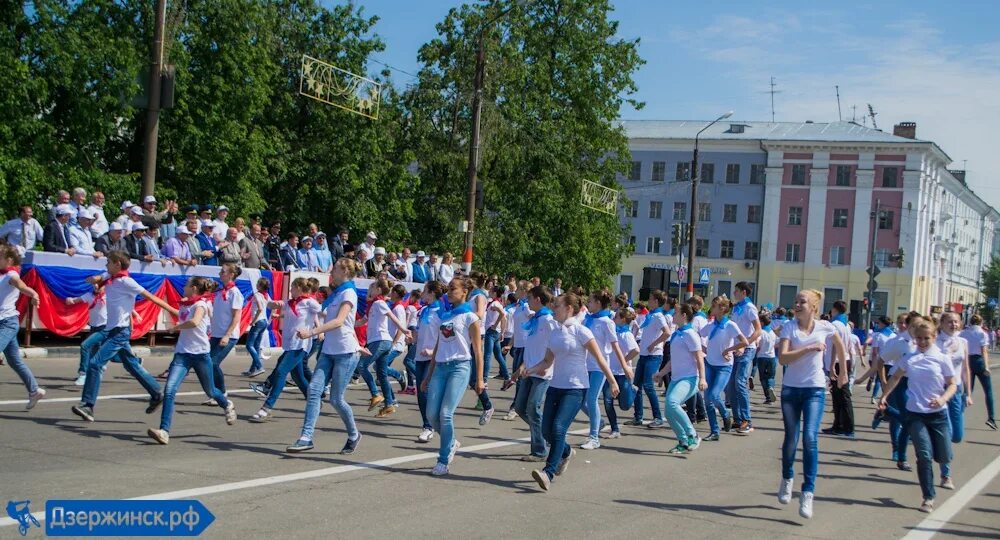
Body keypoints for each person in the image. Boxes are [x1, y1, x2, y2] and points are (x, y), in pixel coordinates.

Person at [526, 293, 618, 491]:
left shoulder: (581, 331)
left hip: (576, 387)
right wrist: (530, 370)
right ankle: (566, 452)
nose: (553, 309)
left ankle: (548, 472)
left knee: (559, 428)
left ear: (569, 308)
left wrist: (612, 381)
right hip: (556, 386)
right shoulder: (554, 332)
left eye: (557, 306)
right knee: (546, 430)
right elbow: (547, 361)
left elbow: (600, 359)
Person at [72, 251, 174, 422]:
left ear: (117, 264)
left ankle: (88, 406)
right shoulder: (110, 277)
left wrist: (174, 311)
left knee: (95, 363)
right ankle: (156, 392)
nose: (105, 266)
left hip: (119, 331)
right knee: (132, 365)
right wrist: (95, 279)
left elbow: (151, 297)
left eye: (108, 263)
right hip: (111, 330)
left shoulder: (127, 281)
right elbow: (97, 277)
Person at [775, 290, 848, 519]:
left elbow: (840, 344)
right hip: (790, 389)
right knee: (791, 438)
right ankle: (787, 478)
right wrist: (808, 348)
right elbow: (783, 358)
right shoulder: (789, 327)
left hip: (815, 389)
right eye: (795, 301)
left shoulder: (825, 327)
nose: (796, 305)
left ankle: (808, 492)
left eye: (802, 302)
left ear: (814, 307)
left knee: (810, 438)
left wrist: (840, 369)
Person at [286, 259, 365, 454]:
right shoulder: (336, 293)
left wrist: (312, 333)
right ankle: (306, 437)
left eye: (335, 268)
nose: (331, 271)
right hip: (329, 350)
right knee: (313, 390)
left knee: (336, 400)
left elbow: (340, 322)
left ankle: (354, 434)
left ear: (345, 271)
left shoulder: (348, 293)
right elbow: (328, 317)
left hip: (345, 352)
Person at [879, 317, 958, 513]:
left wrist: (942, 399)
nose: (922, 342)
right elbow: (895, 376)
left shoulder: (941, 358)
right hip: (915, 413)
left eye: (926, 339)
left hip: (938, 414)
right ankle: (928, 497)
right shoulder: (910, 358)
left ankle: (944, 472)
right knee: (923, 456)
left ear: (934, 337)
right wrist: (884, 396)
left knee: (943, 455)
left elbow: (953, 384)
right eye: (919, 338)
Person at [148, 277, 237, 444]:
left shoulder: (201, 305)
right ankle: (164, 431)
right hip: (182, 354)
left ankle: (227, 405)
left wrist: (175, 328)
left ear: (194, 288)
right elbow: (180, 315)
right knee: (169, 390)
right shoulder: (188, 305)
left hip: (201, 354)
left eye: (187, 285)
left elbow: (194, 322)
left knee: (210, 391)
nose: (184, 287)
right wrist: (154, 299)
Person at [421, 276, 487, 476]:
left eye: (452, 289)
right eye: (448, 289)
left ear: (464, 292)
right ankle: (451, 442)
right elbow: (439, 346)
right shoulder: (446, 316)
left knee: (446, 413)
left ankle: (443, 459)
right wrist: (427, 376)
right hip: (440, 368)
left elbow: (478, 351)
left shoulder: (470, 317)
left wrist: (480, 379)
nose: (448, 292)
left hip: (460, 367)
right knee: (432, 415)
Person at [249, 278, 321, 422]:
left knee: (281, 371)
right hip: (289, 344)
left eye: (293, 287)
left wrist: (319, 331)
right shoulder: (289, 302)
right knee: (298, 377)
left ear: (299, 288)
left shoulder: (309, 302)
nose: (290, 290)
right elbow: (269, 304)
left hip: (300, 345)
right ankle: (314, 401)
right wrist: (273, 304)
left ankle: (266, 408)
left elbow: (320, 313)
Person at [510, 285, 558, 460]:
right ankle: (548, 435)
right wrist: (521, 367)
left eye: (529, 298)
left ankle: (540, 450)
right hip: (529, 371)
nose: (527, 301)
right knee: (521, 407)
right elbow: (532, 348)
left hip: (542, 372)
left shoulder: (548, 321)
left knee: (533, 408)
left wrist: (547, 364)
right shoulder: (535, 319)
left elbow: (556, 345)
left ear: (538, 299)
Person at [652, 304, 706, 453]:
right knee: (669, 412)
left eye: (675, 313)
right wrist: (661, 373)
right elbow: (673, 360)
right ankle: (683, 441)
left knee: (672, 402)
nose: (672, 315)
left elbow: (699, 358)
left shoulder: (690, 334)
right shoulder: (677, 334)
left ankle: (693, 434)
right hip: (676, 378)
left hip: (689, 379)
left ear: (684, 316)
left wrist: (702, 378)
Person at [579, 291, 627, 449]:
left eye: (591, 301)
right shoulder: (587, 318)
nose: (588, 303)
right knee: (580, 401)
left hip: (600, 367)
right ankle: (598, 422)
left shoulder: (607, 322)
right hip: (585, 364)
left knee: (591, 399)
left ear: (599, 303)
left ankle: (594, 438)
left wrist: (625, 366)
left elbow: (615, 346)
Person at [0, 246, 46, 410]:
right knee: (14, 361)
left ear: (9, 261)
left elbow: (21, 286)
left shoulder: (11, 275)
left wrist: (33, 294)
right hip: (2, 322)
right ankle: (34, 391)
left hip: (7, 322)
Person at [359, 280, 410, 418]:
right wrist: (344, 323)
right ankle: (389, 404)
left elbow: (393, 318)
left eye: (372, 287)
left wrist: (404, 330)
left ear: (379, 290)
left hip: (381, 340)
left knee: (362, 366)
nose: (369, 290)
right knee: (381, 373)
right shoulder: (371, 306)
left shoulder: (379, 303)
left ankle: (376, 395)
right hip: (379, 341)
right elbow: (361, 321)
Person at [700, 295, 748, 441]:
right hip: (709, 363)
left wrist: (730, 350)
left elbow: (744, 342)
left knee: (714, 395)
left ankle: (725, 414)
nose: (711, 308)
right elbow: (698, 336)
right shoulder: (711, 325)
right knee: (707, 399)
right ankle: (714, 431)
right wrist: (704, 349)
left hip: (723, 367)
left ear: (721, 309)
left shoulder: (730, 325)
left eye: (713, 306)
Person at [936, 311, 972, 489]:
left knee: (957, 436)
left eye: (956, 322)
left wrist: (969, 393)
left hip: (956, 390)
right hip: (940, 390)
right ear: (941, 323)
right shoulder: (935, 342)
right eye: (949, 322)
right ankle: (946, 475)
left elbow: (965, 368)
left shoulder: (963, 342)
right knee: (947, 433)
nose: (953, 325)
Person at [627, 289, 670, 427]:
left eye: (650, 299)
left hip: (653, 355)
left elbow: (667, 333)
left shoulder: (658, 316)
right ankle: (638, 417)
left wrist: (654, 344)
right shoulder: (651, 315)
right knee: (636, 385)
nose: (648, 301)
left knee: (648, 385)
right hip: (644, 355)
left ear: (656, 301)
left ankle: (658, 417)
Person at [204, 263, 244, 404]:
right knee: (207, 362)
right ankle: (216, 392)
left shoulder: (235, 293)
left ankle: (221, 393)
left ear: (231, 275)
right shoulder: (221, 292)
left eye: (223, 271)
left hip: (228, 335)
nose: (220, 273)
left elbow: (236, 317)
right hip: (216, 334)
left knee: (213, 363)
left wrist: (227, 335)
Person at [411, 281, 445, 442]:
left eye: (425, 291)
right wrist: (412, 338)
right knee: (420, 392)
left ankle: (430, 426)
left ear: (432, 293)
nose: (422, 293)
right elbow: (420, 331)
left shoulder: (442, 311)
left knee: (426, 392)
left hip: (434, 358)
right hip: (420, 356)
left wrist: (433, 351)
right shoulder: (424, 311)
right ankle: (428, 425)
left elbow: (446, 334)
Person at [729, 283, 761, 433]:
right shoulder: (736, 307)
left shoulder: (750, 308)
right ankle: (737, 418)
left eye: (736, 290)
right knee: (730, 384)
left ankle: (746, 420)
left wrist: (744, 343)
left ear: (743, 292)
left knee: (740, 382)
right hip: (735, 349)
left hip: (747, 349)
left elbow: (758, 330)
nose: (734, 292)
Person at [603, 308, 637, 439]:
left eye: (616, 317)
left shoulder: (626, 334)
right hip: (610, 372)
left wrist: (624, 360)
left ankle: (633, 391)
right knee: (607, 401)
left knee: (625, 405)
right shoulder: (613, 332)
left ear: (623, 319)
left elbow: (636, 350)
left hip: (622, 373)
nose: (614, 319)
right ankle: (615, 429)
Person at [64, 284, 108, 386]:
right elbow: (76, 300)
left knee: (85, 346)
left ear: (105, 286)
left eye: (100, 286)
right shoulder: (89, 296)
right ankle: (136, 360)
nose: (97, 288)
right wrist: (70, 300)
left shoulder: (109, 296)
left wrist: (134, 314)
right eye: (95, 286)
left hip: (105, 328)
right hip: (94, 328)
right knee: (98, 351)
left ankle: (83, 374)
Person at [961, 314, 996, 430]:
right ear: (981, 322)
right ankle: (991, 418)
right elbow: (984, 351)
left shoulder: (964, 333)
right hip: (979, 361)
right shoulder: (982, 333)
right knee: (988, 391)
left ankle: (958, 416)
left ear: (970, 322)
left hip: (967, 361)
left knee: (967, 391)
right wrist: (986, 367)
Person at [242, 277, 271, 378]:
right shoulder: (266, 295)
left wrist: (253, 321)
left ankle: (259, 366)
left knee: (249, 345)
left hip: (258, 321)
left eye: (258, 283)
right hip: (264, 321)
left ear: (260, 285)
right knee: (257, 346)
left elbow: (259, 308)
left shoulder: (257, 295)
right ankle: (252, 369)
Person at [483, 286, 510, 386]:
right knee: (498, 355)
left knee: (487, 356)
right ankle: (507, 376)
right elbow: (504, 318)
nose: (489, 292)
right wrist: (502, 332)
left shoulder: (494, 303)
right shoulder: (498, 303)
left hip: (491, 331)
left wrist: (495, 325)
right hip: (496, 332)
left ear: (494, 293)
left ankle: (484, 379)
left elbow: (502, 315)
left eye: (490, 291)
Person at [754, 313, 778, 404]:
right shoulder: (772, 332)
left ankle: (768, 396)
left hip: (761, 357)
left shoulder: (761, 332)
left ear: (762, 322)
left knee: (763, 377)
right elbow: (776, 344)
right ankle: (771, 387)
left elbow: (758, 344)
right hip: (771, 356)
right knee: (771, 376)